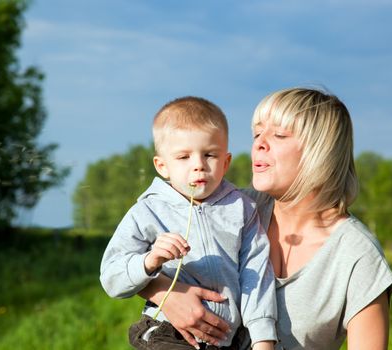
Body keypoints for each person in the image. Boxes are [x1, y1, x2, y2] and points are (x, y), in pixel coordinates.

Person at [138, 88, 392, 350]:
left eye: (279, 134)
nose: (259, 143)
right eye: (257, 133)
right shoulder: (233, 208)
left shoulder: (357, 254)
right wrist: (166, 294)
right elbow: (126, 261)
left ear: (322, 152)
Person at [99, 96, 278, 350]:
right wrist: (150, 261)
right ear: (163, 166)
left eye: (210, 155)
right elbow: (111, 276)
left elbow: (256, 274)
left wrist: (262, 340)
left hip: (229, 339)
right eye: (183, 157)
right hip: (169, 333)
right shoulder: (149, 210)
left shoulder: (241, 209)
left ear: (225, 162)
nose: (199, 166)